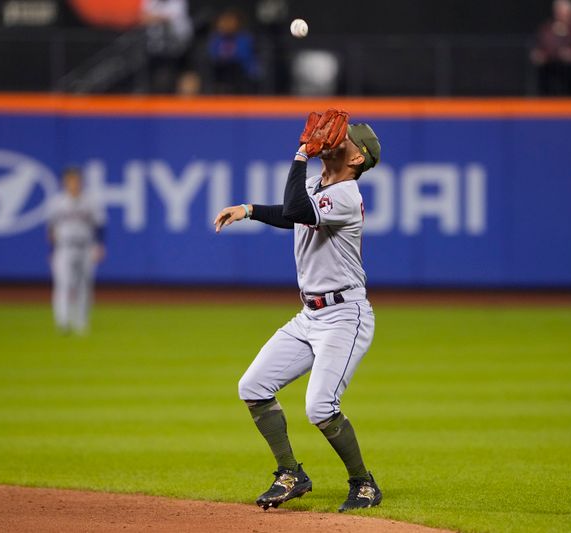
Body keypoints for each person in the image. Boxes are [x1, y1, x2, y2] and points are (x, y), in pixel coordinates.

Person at [213, 111, 382, 512]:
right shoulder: (319, 186)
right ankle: (291, 473)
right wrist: (250, 209)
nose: (337, 138)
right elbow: (292, 214)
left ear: (357, 159)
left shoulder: (346, 195)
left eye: (346, 139)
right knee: (252, 387)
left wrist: (302, 152)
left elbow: (298, 210)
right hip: (310, 316)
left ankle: (364, 484)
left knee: (320, 407)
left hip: (345, 316)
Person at [46, 167, 106, 335]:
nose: (73, 183)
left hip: (86, 246)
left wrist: (99, 246)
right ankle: (63, 322)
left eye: (76, 180)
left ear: (81, 181)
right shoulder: (57, 202)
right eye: (70, 180)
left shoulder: (90, 201)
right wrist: (52, 250)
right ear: (64, 182)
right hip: (63, 247)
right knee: (63, 284)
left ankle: (81, 322)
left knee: (84, 285)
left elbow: (100, 225)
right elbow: (51, 228)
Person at [530, 0, 571, 95]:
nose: (563, 15)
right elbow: (540, 45)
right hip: (551, 71)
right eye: (560, 12)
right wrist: (541, 55)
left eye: (566, 13)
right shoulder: (547, 28)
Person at [140, 0, 194, 93]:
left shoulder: (177, 2)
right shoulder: (150, 1)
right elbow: (142, 18)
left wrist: (153, 17)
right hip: (155, 46)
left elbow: (169, 17)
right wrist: (156, 17)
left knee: (182, 73)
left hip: (179, 44)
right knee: (154, 74)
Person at [206, 8, 258, 94]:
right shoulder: (215, 39)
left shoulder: (244, 38)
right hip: (220, 73)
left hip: (241, 74)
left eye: (230, 21)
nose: (226, 24)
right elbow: (212, 55)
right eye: (224, 21)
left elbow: (244, 57)